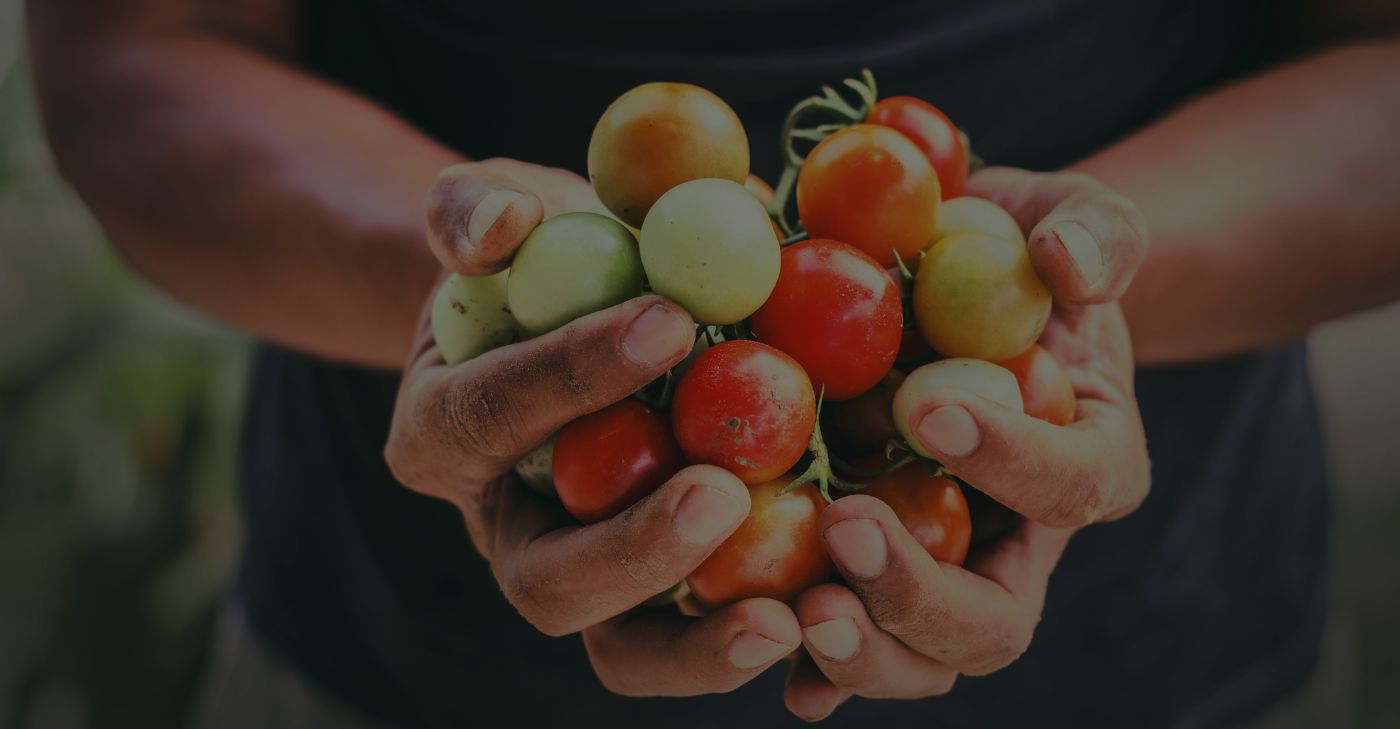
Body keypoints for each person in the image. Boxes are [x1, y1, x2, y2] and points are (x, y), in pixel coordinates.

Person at [26, 0, 1400, 726]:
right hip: (394, 662)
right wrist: (486, 295)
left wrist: (1095, 283)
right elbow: (136, 54)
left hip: (1173, 660)